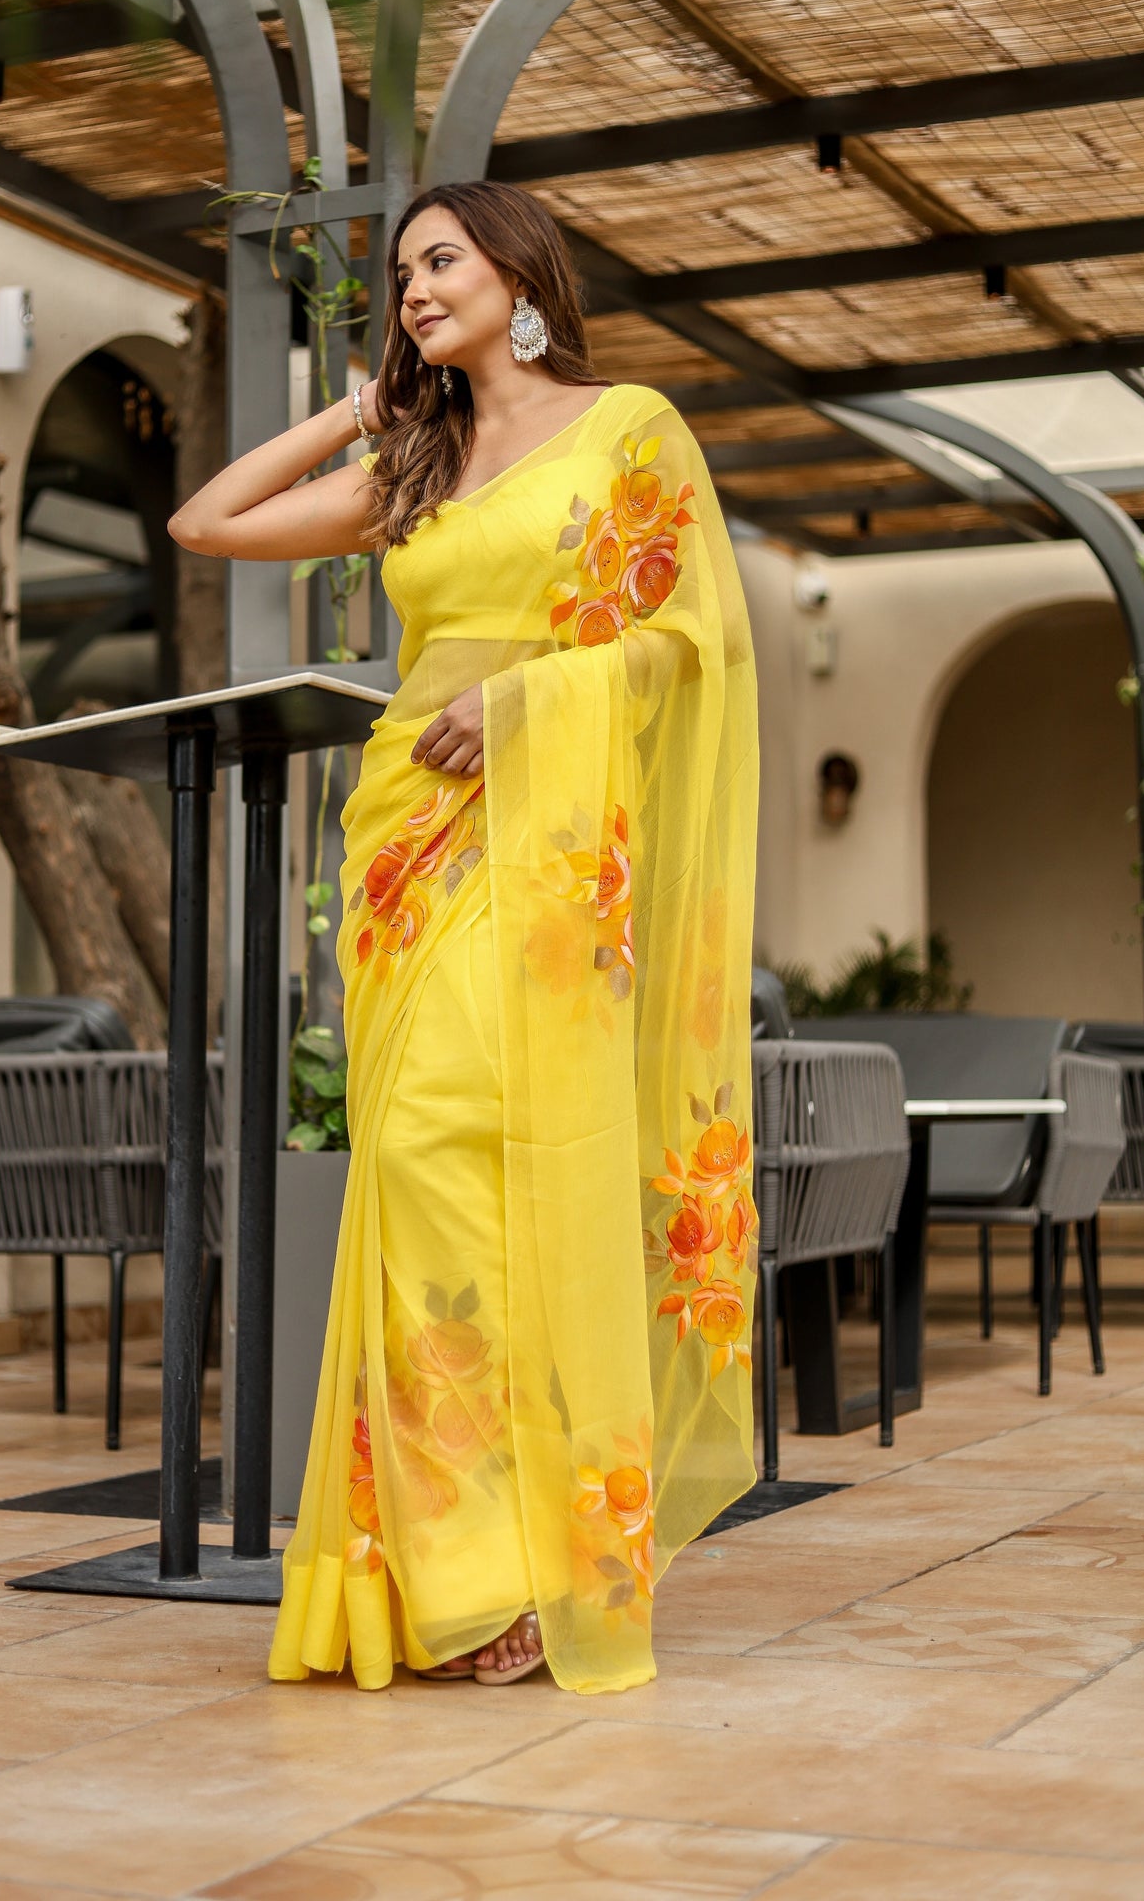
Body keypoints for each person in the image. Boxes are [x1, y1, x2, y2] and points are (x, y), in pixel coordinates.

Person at [169, 180, 758, 1693]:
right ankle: (448, 1570)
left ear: (519, 272)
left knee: (519, 1175)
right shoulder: (417, 469)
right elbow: (205, 522)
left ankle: (527, 1567)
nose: (416, 287)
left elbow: (688, 639)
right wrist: (360, 410)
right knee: (425, 1171)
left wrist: (526, 704)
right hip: (408, 857)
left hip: (549, 854)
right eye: (401, 274)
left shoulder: (627, 429)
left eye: (440, 262)